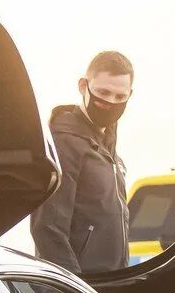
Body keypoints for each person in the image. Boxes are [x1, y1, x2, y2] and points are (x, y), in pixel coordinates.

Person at [31, 51, 134, 274]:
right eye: (103, 92)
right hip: (82, 289)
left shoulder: (109, 150)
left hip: (110, 284)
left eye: (119, 96)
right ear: (83, 86)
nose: (110, 102)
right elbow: (48, 228)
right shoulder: (65, 142)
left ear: (129, 95)